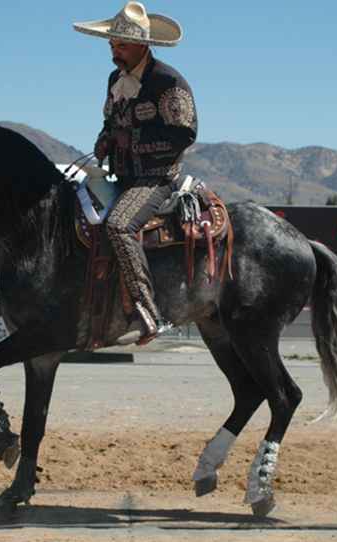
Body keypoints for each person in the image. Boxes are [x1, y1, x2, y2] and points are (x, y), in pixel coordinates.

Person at [74, 1, 198, 344]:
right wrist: (103, 142)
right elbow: (109, 123)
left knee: (118, 225)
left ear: (143, 45)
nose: (114, 50)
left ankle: (148, 311)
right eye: (112, 44)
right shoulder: (115, 79)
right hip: (123, 177)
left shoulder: (168, 82)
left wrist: (133, 141)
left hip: (157, 178)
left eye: (121, 44)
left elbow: (184, 133)